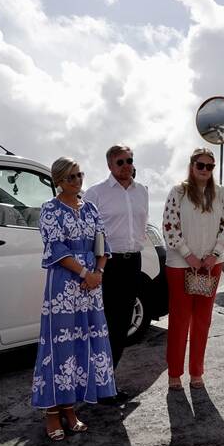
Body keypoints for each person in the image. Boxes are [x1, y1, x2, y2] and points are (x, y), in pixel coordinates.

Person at [31, 157, 116, 440]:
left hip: (91, 286)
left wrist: (98, 272)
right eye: (71, 177)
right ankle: (52, 413)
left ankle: (71, 409)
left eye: (80, 175)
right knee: (60, 346)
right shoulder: (50, 210)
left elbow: (102, 243)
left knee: (83, 343)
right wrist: (84, 273)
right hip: (65, 286)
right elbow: (55, 248)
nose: (77, 181)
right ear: (59, 181)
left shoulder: (90, 208)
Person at [161, 148, 224, 391]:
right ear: (191, 166)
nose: (205, 170)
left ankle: (196, 372)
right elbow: (170, 226)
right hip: (181, 264)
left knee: (203, 320)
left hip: (211, 264)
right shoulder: (178, 192)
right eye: (200, 165)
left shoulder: (221, 193)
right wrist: (188, 255)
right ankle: (174, 374)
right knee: (180, 320)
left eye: (209, 166)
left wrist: (214, 254)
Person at [83, 144, 148, 404]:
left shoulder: (142, 191)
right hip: (108, 264)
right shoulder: (96, 193)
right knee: (104, 326)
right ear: (110, 165)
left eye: (130, 160)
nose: (126, 165)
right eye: (120, 162)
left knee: (122, 327)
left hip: (133, 263)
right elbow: (86, 233)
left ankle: (107, 382)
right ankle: (97, 384)